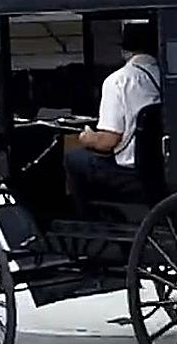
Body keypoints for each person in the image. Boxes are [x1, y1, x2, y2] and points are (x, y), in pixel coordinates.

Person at [64, 23, 161, 216]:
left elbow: (108, 141)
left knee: (73, 158)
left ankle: (86, 216)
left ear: (125, 50)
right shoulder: (162, 76)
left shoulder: (118, 80)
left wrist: (87, 137)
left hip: (129, 172)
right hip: (158, 167)